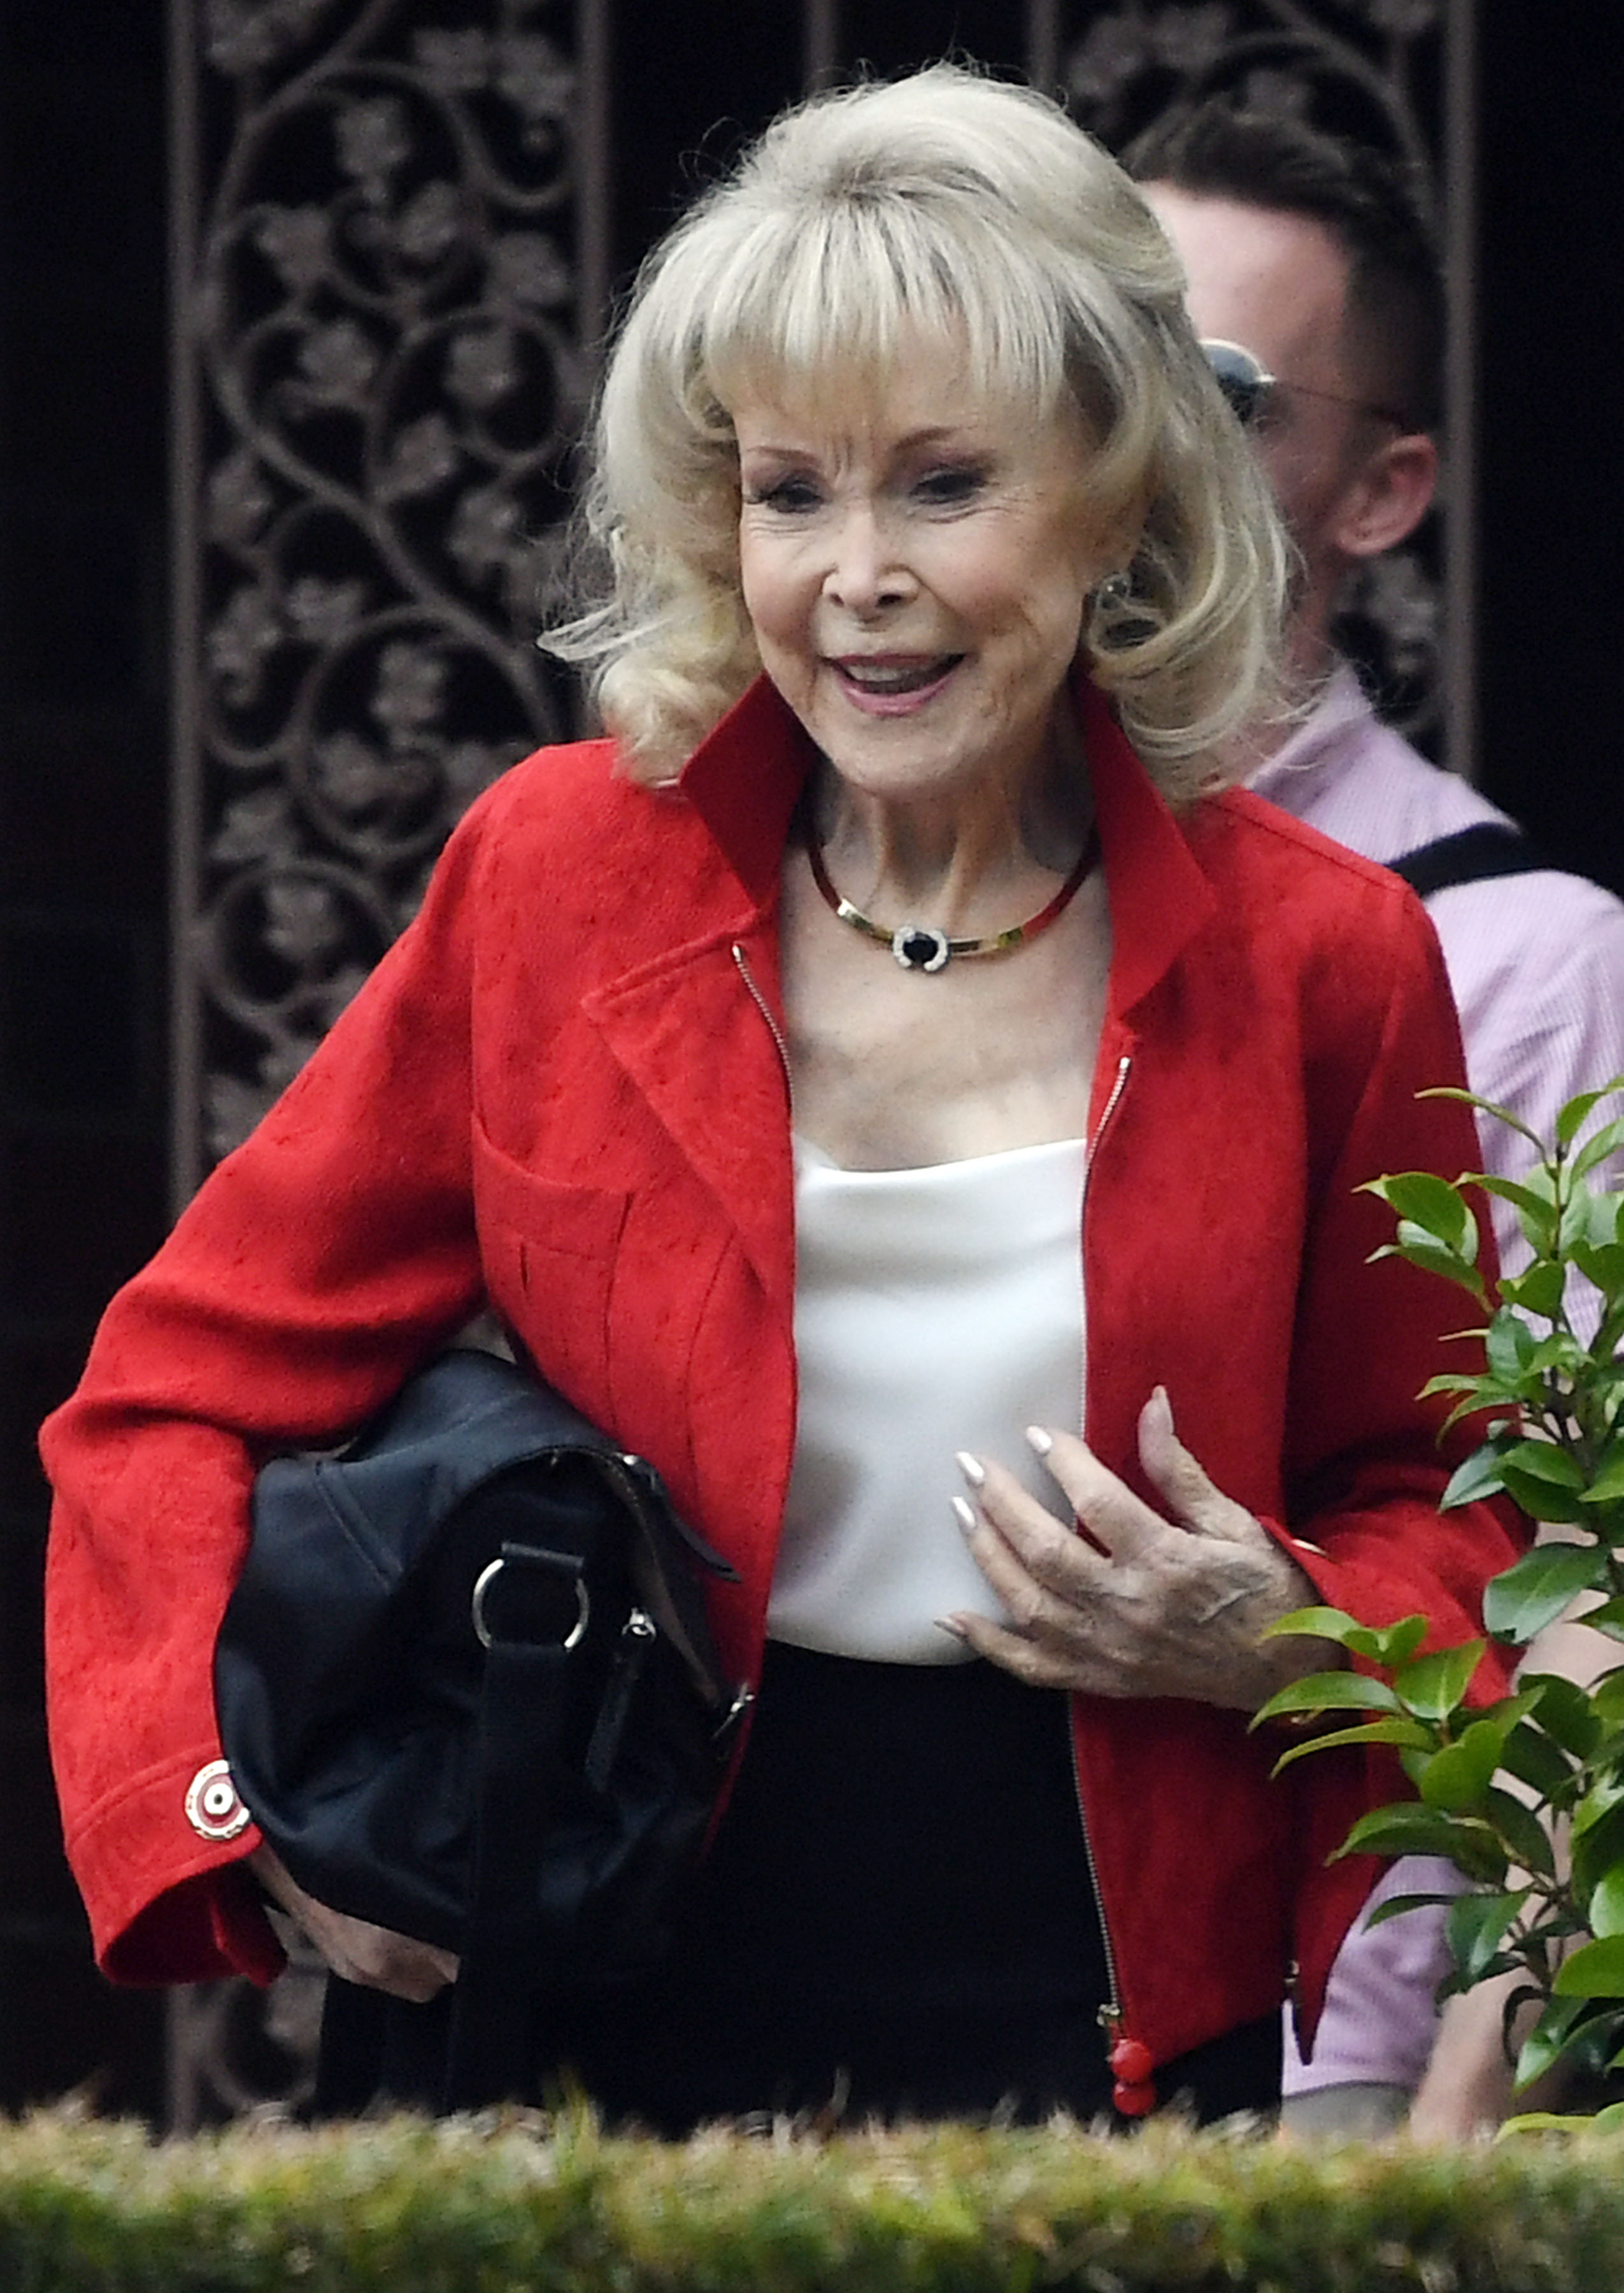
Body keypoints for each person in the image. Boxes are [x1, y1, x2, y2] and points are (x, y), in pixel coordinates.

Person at [41, 64, 1522, 2134]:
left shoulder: (1331, 956)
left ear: (1113, 499)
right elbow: (169, 1398)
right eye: (789, 489)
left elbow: (1463, 1522)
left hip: (1100, 2013)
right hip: (571, 1960)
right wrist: (229, 1813)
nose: (854, 576)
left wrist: (1292, 1638)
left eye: (942, 483)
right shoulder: (560, 875)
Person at [1128, 100, 1624, 2137]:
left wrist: (1458, 2115)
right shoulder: (891, 884)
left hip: (1321, 2043)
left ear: (1381, 487)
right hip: (904, 2005)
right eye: (1091, 353)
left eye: (1219, 394)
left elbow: (1590, 1564)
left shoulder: (1517, 945)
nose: (1139, 437)